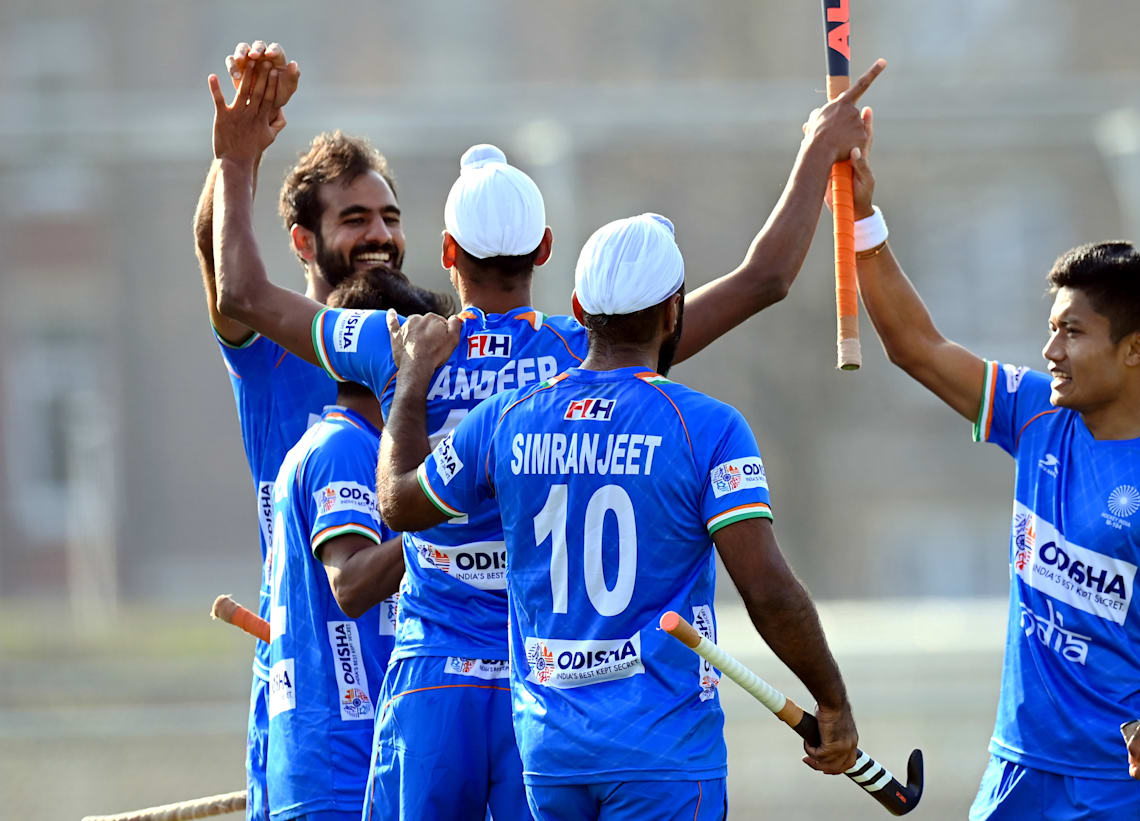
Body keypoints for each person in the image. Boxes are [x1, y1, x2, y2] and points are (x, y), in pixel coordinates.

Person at [207, 51, 886, 820]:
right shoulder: (581, 353)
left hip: (433, 683)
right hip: (534, 699)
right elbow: (764, 278)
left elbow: (243, 294)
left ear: (448, 253)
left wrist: (235, 158)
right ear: (544, 249)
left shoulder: (398, 343)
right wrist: (817, 150)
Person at [840, 118, 1140, 819]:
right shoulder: (1034, 412)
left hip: (1124, 781)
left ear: (1135, 349)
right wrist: (862, 216)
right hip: (1018, 773)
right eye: (1052, 329)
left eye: (1072, 332)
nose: (1051, 350)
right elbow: (915, 345)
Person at [376, 213, 859, 820]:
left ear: (579, 309)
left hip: (551, 758)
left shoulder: (505, 418)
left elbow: (398, 503)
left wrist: (411, 381)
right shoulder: (710, 427)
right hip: (665, 756)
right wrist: (832, 701)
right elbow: (766, 588)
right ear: (672, 313)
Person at [191, 40, 415, 821]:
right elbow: (219, 259)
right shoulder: (268, 350)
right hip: (314, 687)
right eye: (355, 219)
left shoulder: (417, 340)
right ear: (301, 241)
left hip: (421, 680)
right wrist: (239, 155)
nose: (380, 234)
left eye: (390, 216)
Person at [264, 267, 449, 821]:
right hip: (341, 764)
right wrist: (446, 518)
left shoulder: (352, 442)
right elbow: (349, 582)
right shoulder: (343, 447)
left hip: (346, 762)